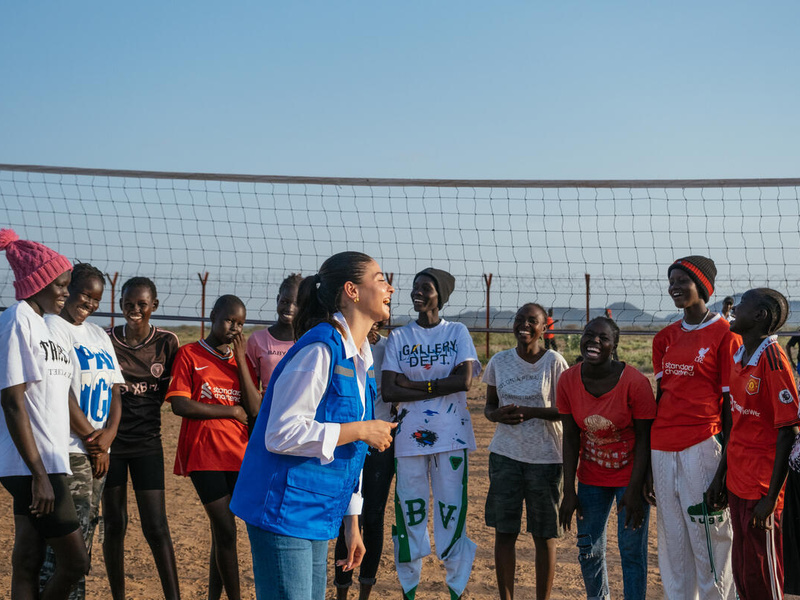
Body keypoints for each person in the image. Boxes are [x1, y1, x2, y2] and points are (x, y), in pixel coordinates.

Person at [230, 251, 396, 600]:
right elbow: (281, 432)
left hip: (320, 511)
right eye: (380, 279)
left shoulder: (361, 358)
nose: (390, 288)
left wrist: (352, 521)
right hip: (283, 509)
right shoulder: (320, 349)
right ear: (352, 290)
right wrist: (362, 429)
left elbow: (352, 454)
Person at [0, 228, 89, 600]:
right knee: (75, 563)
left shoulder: (45, 324)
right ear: (37, 283)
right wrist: (39, 476)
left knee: (29, 560)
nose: (67, 292)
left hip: (49, 460)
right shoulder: (17, 319)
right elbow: (12, 400)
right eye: (61, 284)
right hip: (33, 465)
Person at [383, 267, 481, 600]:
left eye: (425, 288)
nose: (417, 292)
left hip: (452, 436)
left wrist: (413, 384)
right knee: (410, 510)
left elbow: (464, 381)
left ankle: (455, 587)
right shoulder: (399, 336)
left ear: (441, 295)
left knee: (450, 509)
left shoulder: (457, 332)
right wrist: (437, 386)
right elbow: (388, 390)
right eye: (414, 287)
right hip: (408, 437)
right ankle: (409, 588)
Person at [650, 255, 738, 599]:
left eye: (682, 281)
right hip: (662, 446)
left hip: (703, 443)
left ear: (702, 286)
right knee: (672, 540)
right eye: (671, 280)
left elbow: (730, 409)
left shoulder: (726, 336)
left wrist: (724, 469)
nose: (674, 287)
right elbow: (662, 398)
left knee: (710, 537)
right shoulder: (664, 338)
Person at [39, 263, 124, 600]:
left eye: (96, 299)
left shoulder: (98, 334)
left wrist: (109, 437)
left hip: (99, 451)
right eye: (85, 294)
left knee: (86, 536)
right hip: (71, 449)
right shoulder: (52, 326)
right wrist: (93, 440)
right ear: (68, 289)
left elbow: (117, 389)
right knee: (65, 548)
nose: (89, 303)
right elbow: (60, 390)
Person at [167, 294, 261, 600]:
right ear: (213, 316)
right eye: (229, 320)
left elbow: (255, 409)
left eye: (241, 323)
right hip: (204, 453)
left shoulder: (241, 361)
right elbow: (180, 404)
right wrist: (230, 412)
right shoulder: (189, 354)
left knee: (221, 535)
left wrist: (242, 358)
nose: (234, 327)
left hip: (239, 454)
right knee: (225, 530)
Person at [558, 317, 656, 600]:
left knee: (631, 551)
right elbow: (570, 437)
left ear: (614, 345)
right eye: (589, 335)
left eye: (603, 338)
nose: (594, 342)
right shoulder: (568, 380)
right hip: (591, 478)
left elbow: (644, 440)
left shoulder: (635, 383)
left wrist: (636, 490)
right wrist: (568, 490)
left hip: (630, 478)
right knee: (588, 549)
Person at [710, 289, 799, 599]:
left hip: (762, 487)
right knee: (744, 572)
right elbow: (735, 424)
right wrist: (720, 477)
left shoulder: (774, 360)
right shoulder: (739, 356)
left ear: (760, 315)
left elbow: (788, 432)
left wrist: (771, 497)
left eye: (742, 304)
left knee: (765, 574)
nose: (734, 309)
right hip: (737, 482)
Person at [483, 302, 568, 600]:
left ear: (544, 328)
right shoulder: (499, 361)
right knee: (504, 531)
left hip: (545, 458)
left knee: (544, 535)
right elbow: (489, 406)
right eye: (520, 319)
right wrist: (497, 416)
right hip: (505, 456)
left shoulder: (555, 362)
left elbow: (565, 410)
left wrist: (533, 412)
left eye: (532, 321)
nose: (525, 325)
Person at [104, 276, 181, 600]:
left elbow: (175, 391)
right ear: (120, 304)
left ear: (154, 306)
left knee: (156, 527)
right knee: (114, 525)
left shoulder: (166, 343)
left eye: (141, 304)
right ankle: (118, 596)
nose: (135, 309)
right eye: (128, 304)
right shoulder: (104, 339)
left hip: (148, 443)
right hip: (112, 446)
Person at [333, 320, 394, 600]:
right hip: (349, 439)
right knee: (348, 516)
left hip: (380, 443)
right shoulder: (342, 346)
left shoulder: (389, 348)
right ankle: (341, 591)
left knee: (373, 517)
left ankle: (365, 592)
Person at [246, 273, 303, 390]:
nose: (289, 308)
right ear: (278, 299)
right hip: (268, 406)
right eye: (285, 302)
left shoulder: (308, 340)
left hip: (298, 406)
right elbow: (251, 386)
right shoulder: (257, 339)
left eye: (296, 303)